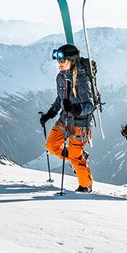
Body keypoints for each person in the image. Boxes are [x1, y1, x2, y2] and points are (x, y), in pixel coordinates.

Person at [39, 44, 95, 193]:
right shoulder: (60, 77)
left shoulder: (82, 80)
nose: (60, 63)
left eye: (63, 60)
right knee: (52, 146)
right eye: (58, 60)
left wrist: (76, 109)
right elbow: (60, 98)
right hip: (64, 119)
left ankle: (86, 185)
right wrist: (50, 113)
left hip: (80, 124)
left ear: (72, 60)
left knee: (76, 159)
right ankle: (79, 155)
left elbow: (91, 105)